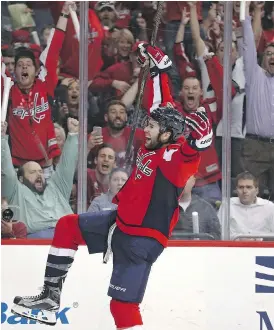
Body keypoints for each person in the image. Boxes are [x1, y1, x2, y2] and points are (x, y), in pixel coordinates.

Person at [11, 45, 213, 329]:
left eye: (152, 126)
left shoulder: (173, 156)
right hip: (119, 224)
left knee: (121, 306)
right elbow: (161, 105)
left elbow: (189, 157)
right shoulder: (159, 138)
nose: (146, 128)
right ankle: (49, 300)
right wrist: (160, 69)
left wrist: (197, 143)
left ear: (167, 134)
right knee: (67, 226)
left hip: (141, 240)